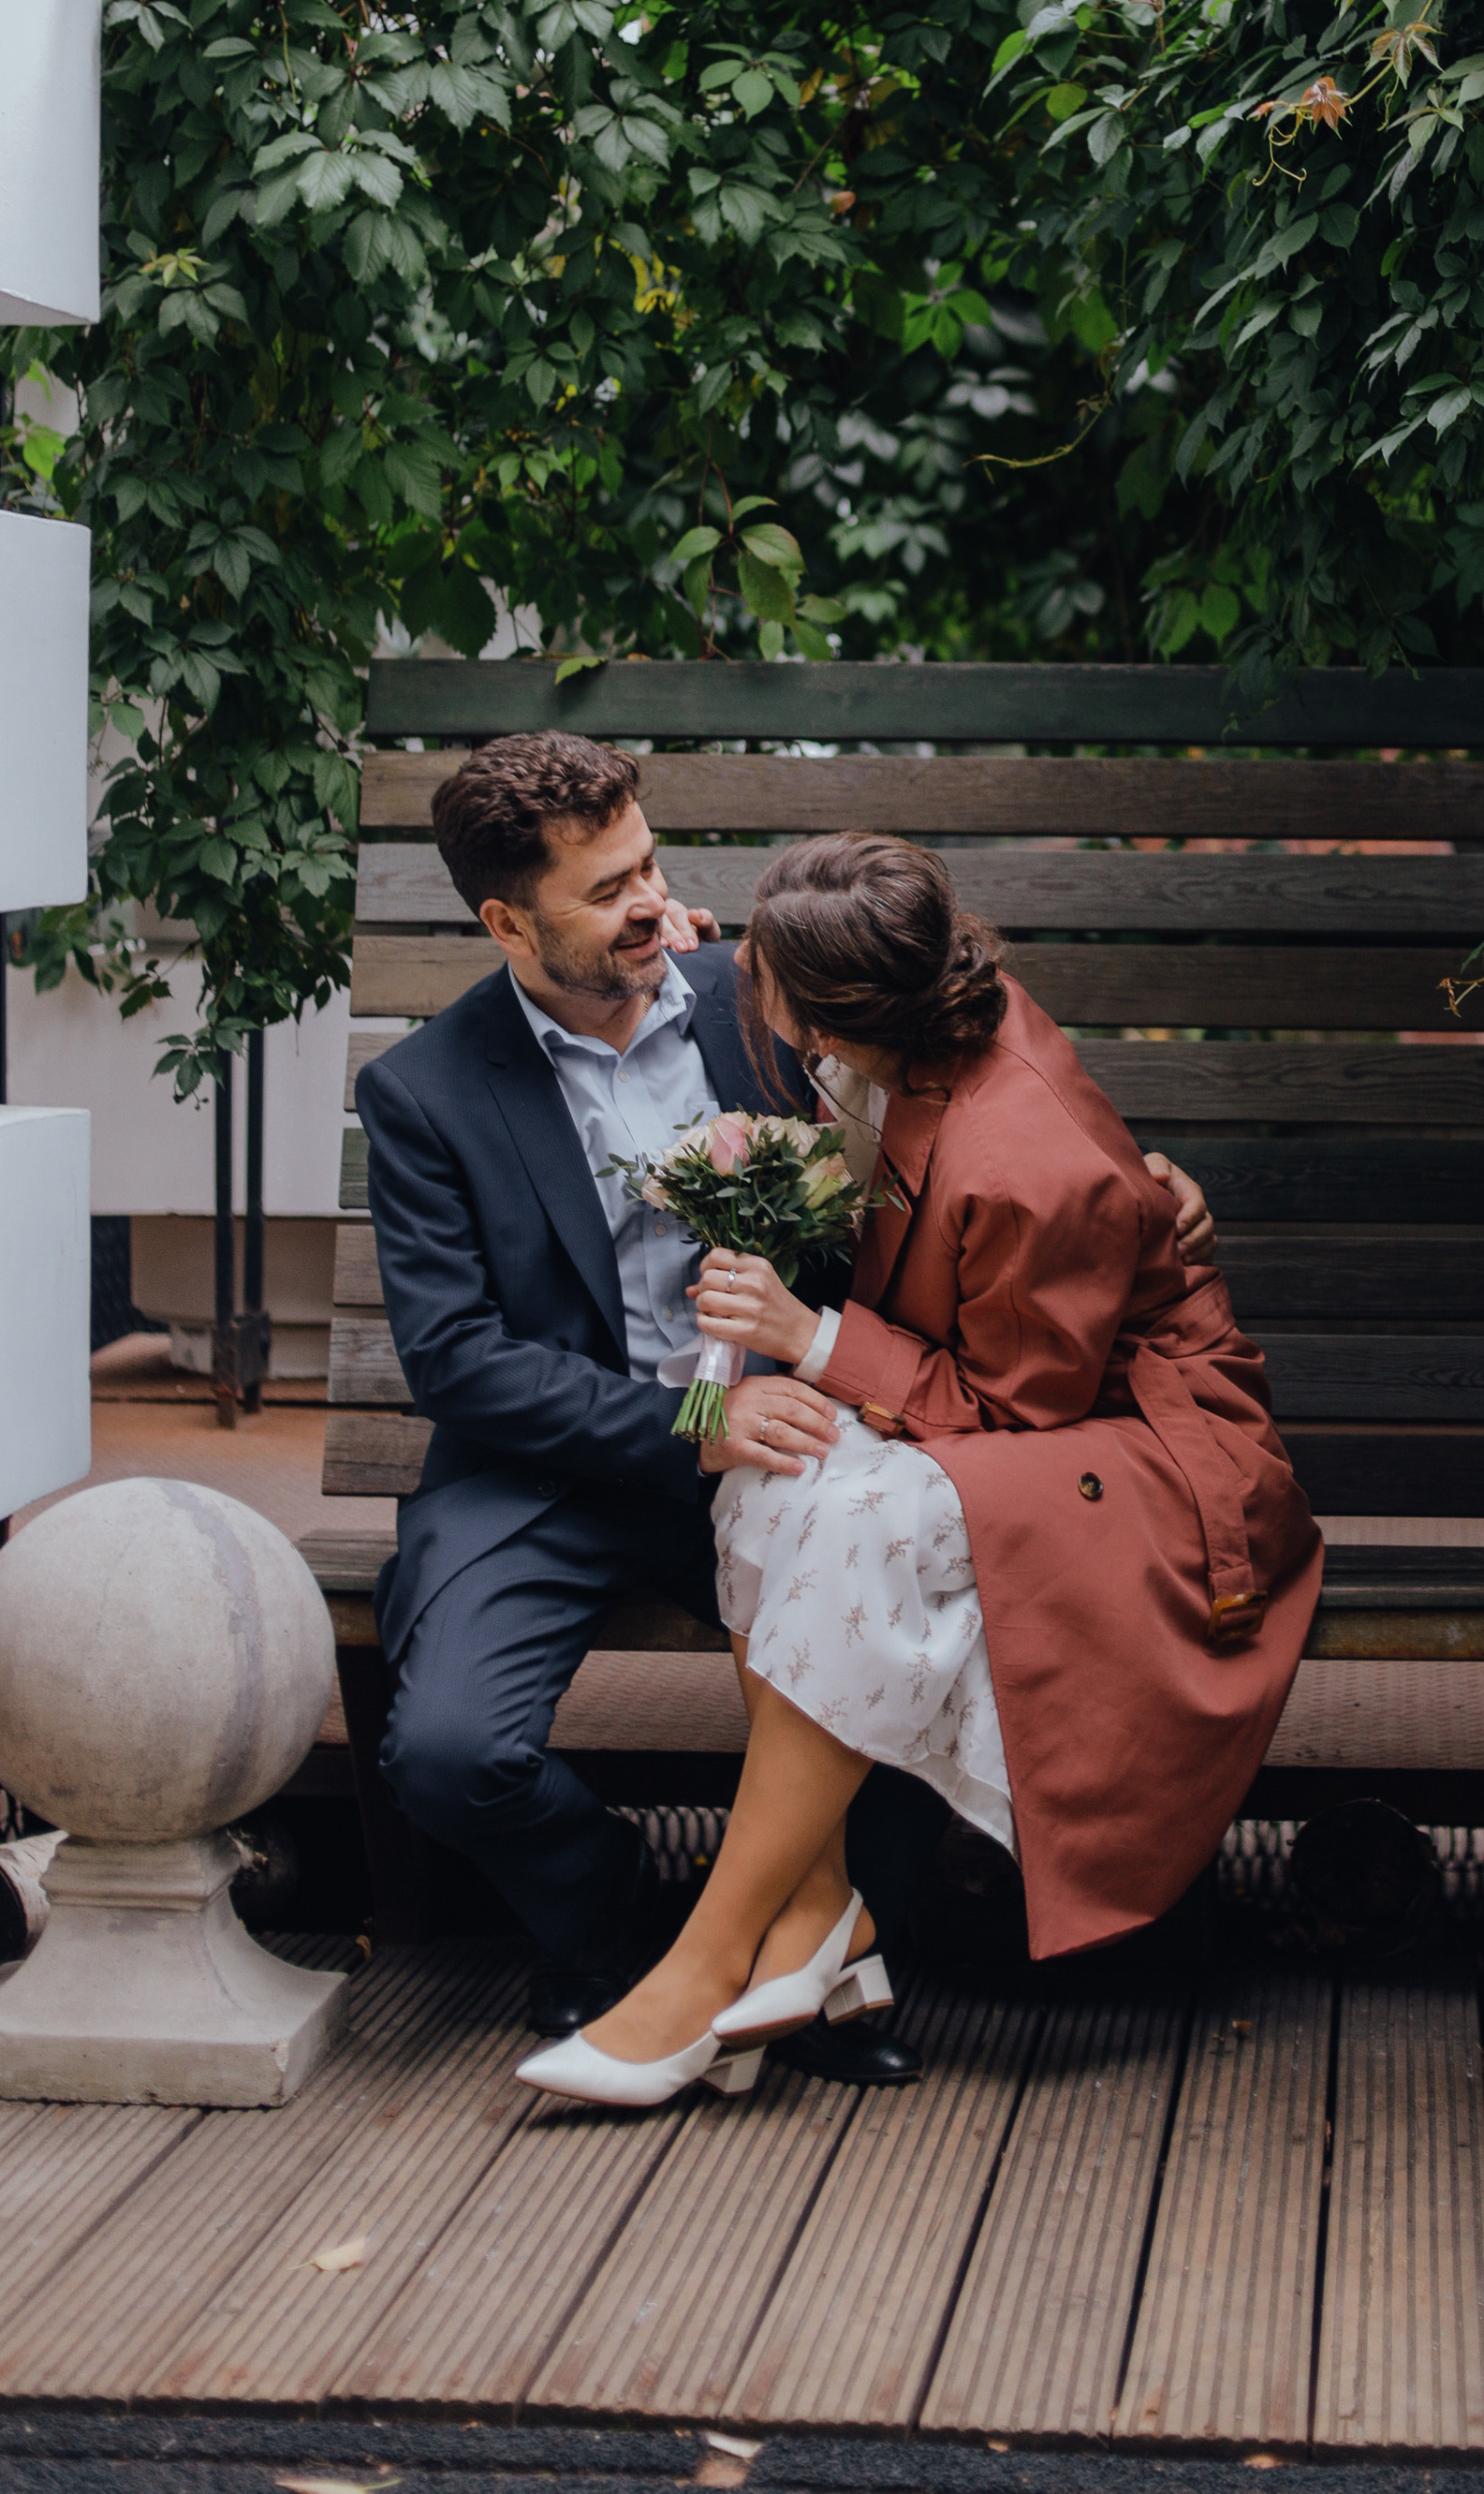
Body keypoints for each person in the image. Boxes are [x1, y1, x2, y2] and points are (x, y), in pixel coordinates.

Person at [358, 735, 1219, 2061]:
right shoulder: (423, 1090)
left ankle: (825, 1950)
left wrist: (1138, 1189)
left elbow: (975, 1104)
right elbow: (460, 1363)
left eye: (649, 863)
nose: (652, 902)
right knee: (449, 1755)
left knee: (892, 1608)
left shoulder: (762, 995)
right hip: (560, 1473)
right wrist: (695, 1428)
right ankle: (619, 1925)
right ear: (505, 921)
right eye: (606, 892)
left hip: (803, 1437)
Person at [517, 830, 1323, 2111]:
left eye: (758, 972)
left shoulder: (1021, 1161)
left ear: (837, 1012)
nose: (739, 983)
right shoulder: (906, 1015)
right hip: (1027, 1402)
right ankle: (818, 1921)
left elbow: (1020, 1409)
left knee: (856, 1525)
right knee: (769, 1469)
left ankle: (701, 1964)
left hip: (1139, 1445)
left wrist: (810, 1336)